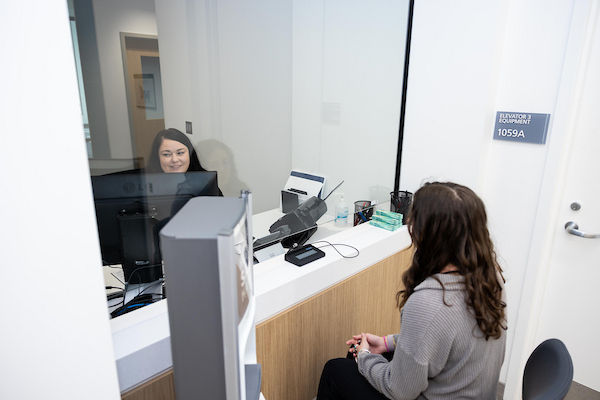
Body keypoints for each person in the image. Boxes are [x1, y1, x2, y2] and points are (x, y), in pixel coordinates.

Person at [317, 182, 507, 400]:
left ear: (429, 234)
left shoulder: (430, 301)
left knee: (336, 370)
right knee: (357, 362)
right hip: (470, 390)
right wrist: (388, 342)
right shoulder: (490, 280)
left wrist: (365, 356)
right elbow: (444, 339)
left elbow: (398, 390)